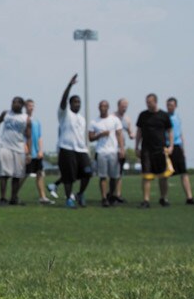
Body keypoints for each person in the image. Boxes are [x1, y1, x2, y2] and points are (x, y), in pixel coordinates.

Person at [56, 74, 93, 208]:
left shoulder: (82, 118)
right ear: (70, 104)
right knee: (69, 177)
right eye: (75, 102)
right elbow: (63, 100)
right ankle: (69, 199)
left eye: (79, 102)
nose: (77, 104)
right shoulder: (64, 114)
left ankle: (80, 194)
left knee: (88, 173)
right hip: (67, 149)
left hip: (81, 150)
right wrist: (69, 85)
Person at [135, 94, 173, 208]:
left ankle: (163, 198)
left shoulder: (164, 115)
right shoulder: (143, 115)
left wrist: (171, 146)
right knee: (146, 175)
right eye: (147, 102)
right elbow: (139, 132)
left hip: (161, 149)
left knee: (163, 176)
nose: (148, 104)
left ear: (155, 102)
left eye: (150, 102)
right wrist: (137, 147)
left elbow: (170, 131)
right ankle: (146, 200)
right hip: (146, 149)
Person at [0, 97, 31, 206]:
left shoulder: (26, 118)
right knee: (3, 174)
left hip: (19, 149)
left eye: (17, 102)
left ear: (22, 105)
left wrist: (29, 153)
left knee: (17, 176)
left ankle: (13, 198)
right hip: (5, 147)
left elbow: (28, 136)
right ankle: (3, 198)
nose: (14, 104)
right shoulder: (6, 114)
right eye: (13, 102)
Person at [88, 100, 125, 208]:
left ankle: (111, 195)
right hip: (101, 151)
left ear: (108, 107)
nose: (103, 108)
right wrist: (100, 135)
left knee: (114, 177)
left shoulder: (114, 120)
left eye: (105, 106)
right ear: (98, 108)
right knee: (103, 176)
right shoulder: (94, 122)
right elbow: (90, 138)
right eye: (101, 106)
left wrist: (121, 149)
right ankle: (104, 198)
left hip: (113, 151)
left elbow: (119, 135)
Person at [166, 97, 194, 205]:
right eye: (168, 105)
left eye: (171, 105)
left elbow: (180, 133)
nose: (169, 107)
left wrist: (183, 149)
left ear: (175, 106)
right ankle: (164, 198)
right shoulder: (164, 117)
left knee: (184, 173)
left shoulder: (177, 118)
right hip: (167, 147)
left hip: (177, 146)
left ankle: (189, 198)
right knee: (166, 174)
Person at [24, 99, 54, 205]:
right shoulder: (23, 120)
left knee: (40, 174)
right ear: (25, 107)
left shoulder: (37, 121)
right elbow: (22, 137)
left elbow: (40, 137)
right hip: (28, 153)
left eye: (32, 105)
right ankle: (14, 195)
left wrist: (41, 150)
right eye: (29, 105)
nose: (31, 107)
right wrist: (26, 151)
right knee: (24, 175)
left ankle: (43, 197)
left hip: (37, 153)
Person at [112, 98, 135, 203]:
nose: (124, 108)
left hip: (122, 148)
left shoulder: (127, 119)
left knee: (119, 173)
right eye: (123, 106)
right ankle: (111, 194)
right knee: (112, 173)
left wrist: (132, 135)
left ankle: (118, 194)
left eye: (126, 106)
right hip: (112, 148)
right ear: (118, 106)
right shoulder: (112, 117)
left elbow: (130, 131)